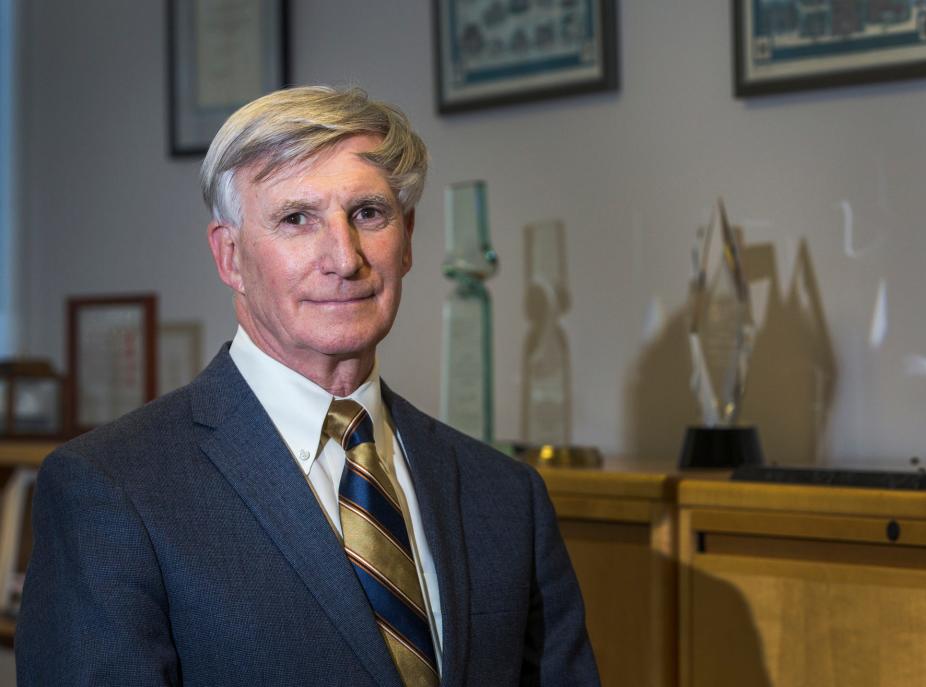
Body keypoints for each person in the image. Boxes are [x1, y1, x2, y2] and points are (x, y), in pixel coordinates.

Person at [16, 85, 599, 686]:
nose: (344, 258)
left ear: (408, 240)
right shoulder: (111, 491)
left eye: (368, 214)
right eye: (297, 219)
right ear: (231, 257)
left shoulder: (505, 495)